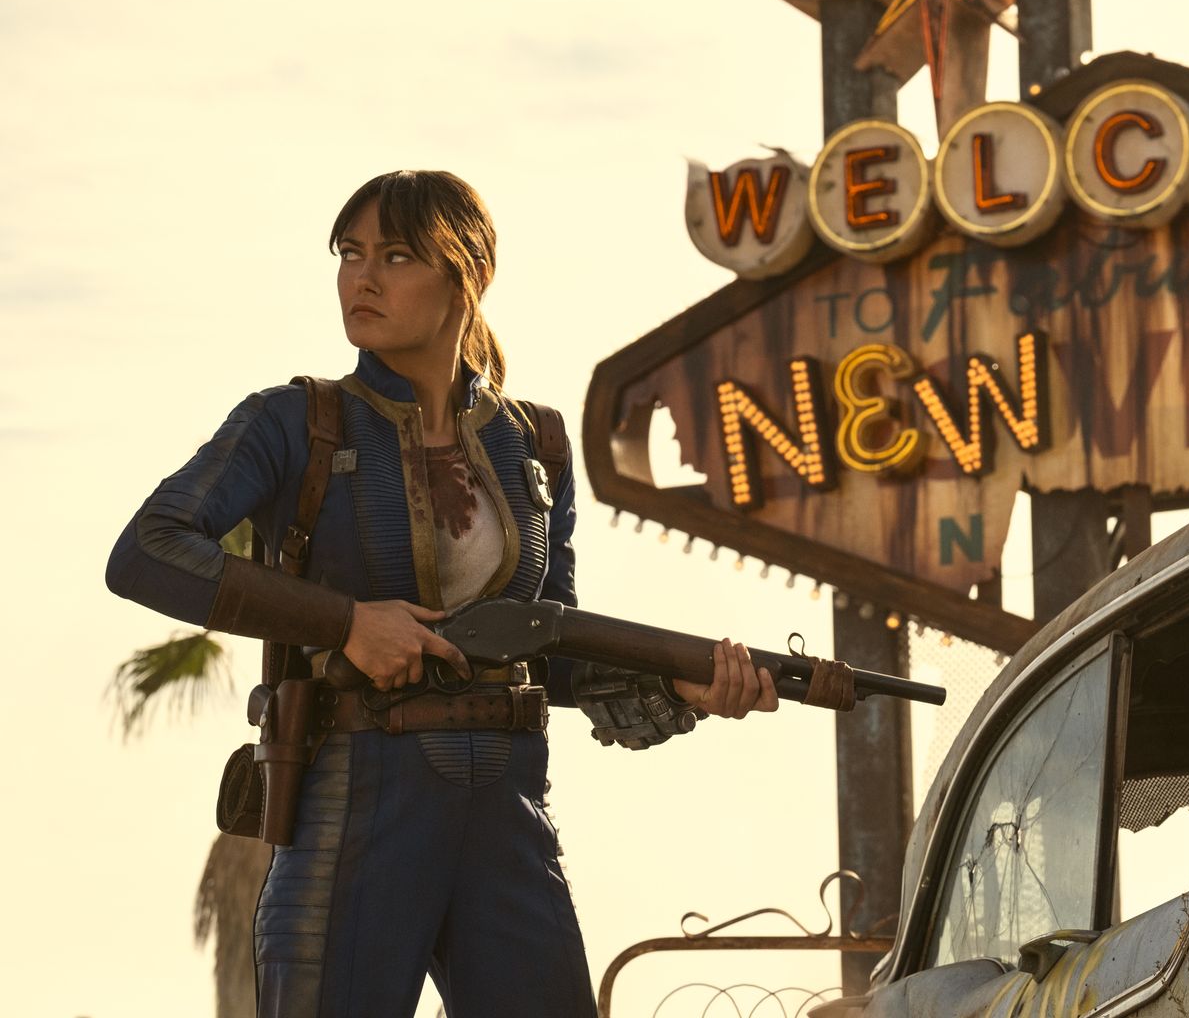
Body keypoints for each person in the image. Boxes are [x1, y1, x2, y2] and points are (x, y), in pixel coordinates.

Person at [105, 169, 777, 1016]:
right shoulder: (294, 422)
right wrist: (346, 623)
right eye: (351, 253)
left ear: (469, 274)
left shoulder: (536, 444)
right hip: (349, 805)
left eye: (395, 256)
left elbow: (550, 650)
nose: (363, 278)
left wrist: (676, 684)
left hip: (508, 810)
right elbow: (146, 551)